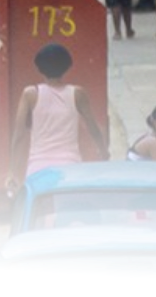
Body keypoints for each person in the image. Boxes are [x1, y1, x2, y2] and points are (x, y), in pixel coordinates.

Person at [6, 44, 104, 195]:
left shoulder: (30, 94)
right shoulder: (77, 94)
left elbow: (19, 135)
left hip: (38, 168)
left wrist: (12, 171)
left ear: (40, 68)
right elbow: (93, 129)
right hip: (70, 167)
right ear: (66, 66)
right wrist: (103, 152)